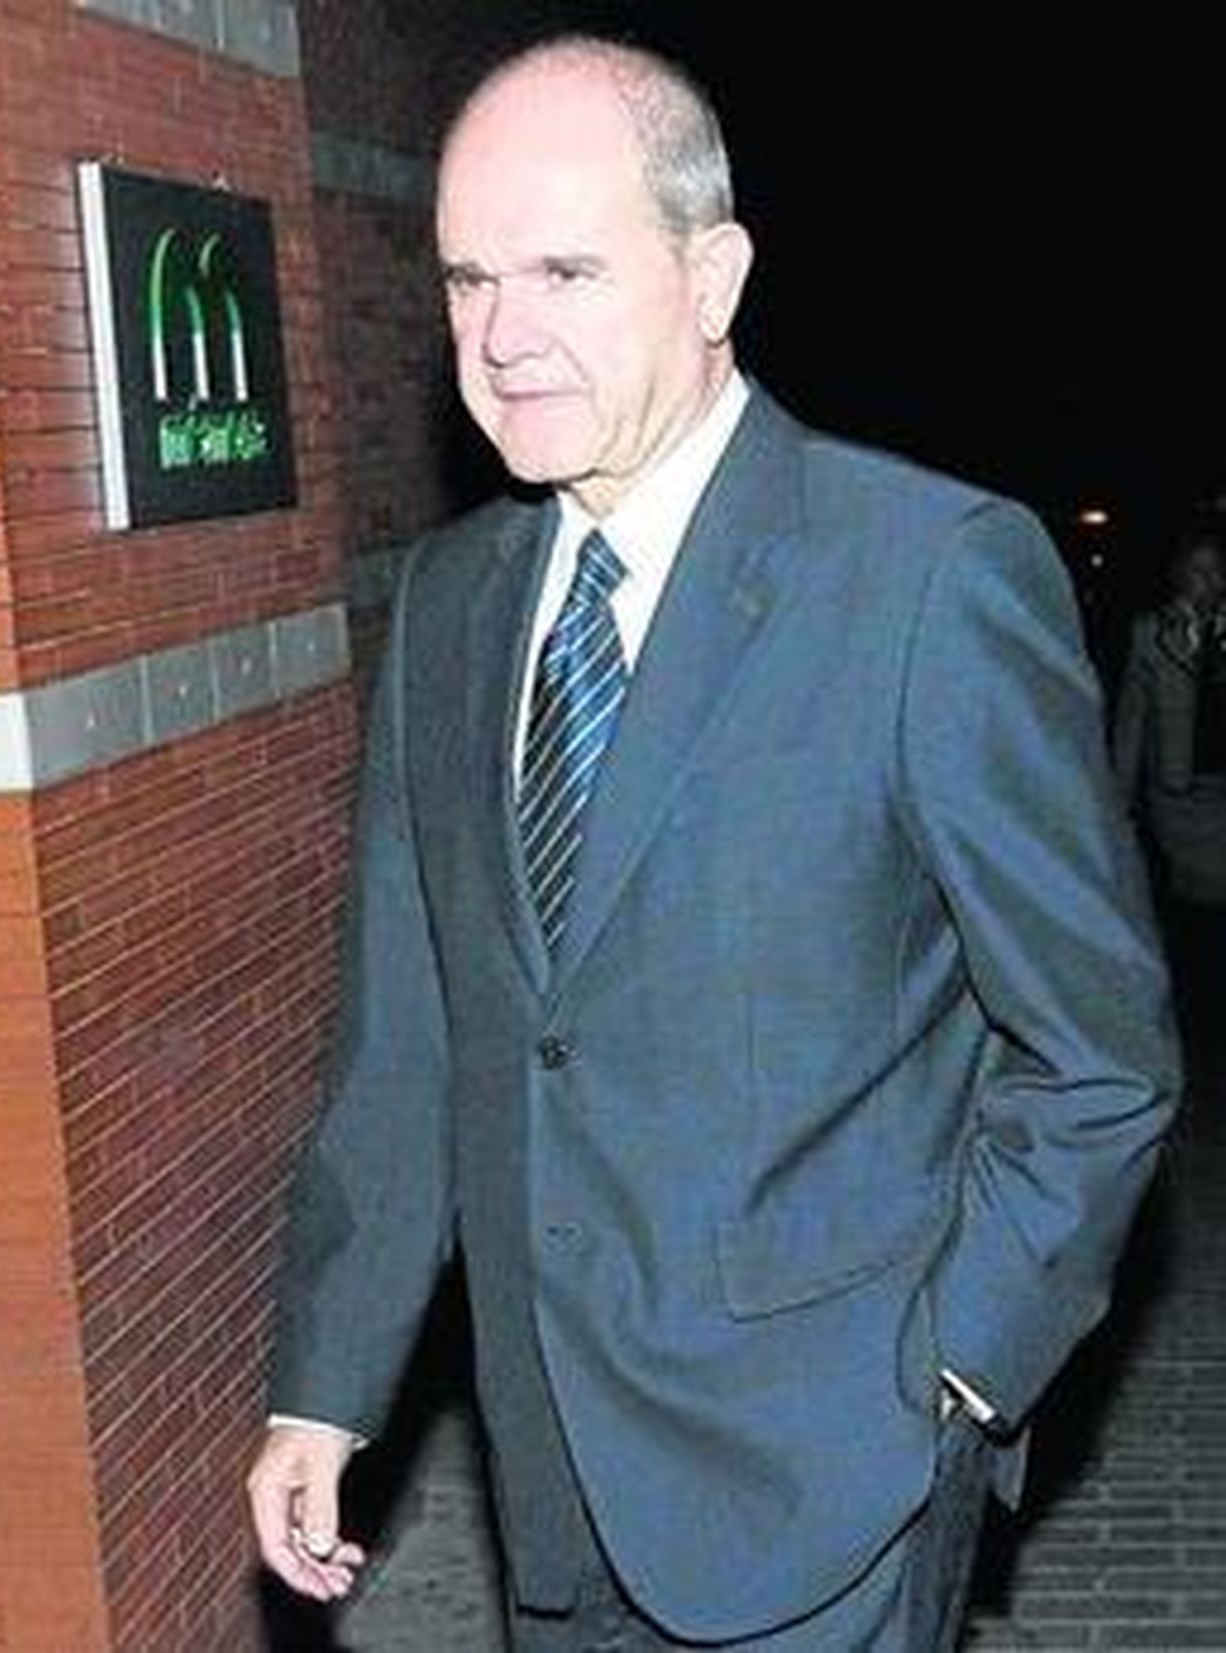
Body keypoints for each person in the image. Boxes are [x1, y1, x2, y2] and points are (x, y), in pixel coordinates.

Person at [247, 35, 1178, 1651]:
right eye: (469, 278)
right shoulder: (455, 608)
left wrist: (961, 1369)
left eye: (564, 269)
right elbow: (412, 1043)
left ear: (713, 275)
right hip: (551, 1482)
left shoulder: (925, 575)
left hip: (833, 1484)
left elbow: (1098, 1051)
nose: (503, 334)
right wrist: (325, 1390)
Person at [1113, 517, 1226, 1039]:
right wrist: (1119, 803)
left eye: (1217, 571)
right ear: (1181, 575)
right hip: (1178, 797)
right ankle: (1195, 1007)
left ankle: (1202, 1002)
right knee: (1200, 895)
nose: (1210, 583)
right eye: (1199, 572)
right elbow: (1131, 723)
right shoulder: (1151, 635)